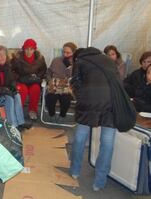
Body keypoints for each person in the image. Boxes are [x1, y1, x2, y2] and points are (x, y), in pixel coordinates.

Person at [69, 47, 119, 191]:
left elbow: (75, 82)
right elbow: (117, 81)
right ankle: (99, 181)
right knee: (107, 143)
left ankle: (75, 170)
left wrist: (82, 96)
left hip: (89, 103)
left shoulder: (80, 61)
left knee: (80, 137)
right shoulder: (109, 60)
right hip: (111, 104)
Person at [0, 45, 32, 131]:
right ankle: (13, 126)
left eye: (4, 55)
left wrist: (13, 87)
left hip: (4, 92)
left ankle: (20, 122)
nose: (2, 57)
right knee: (9, 99)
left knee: (17, 95)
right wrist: (3, 90)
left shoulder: (7, 66)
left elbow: (11, 80)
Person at [11, 38, 47, 120]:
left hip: (33, 81)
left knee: (36, 89)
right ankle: (18, 111)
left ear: (35, 50)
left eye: (31, 49)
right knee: (22, 90)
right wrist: (19, 77)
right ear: (23, 49)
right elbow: (11, 71)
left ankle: (32, 111)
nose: (29, 51)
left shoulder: (40, 58)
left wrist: (37, 76)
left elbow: (43, 70)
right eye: (27, 49)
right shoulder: (17, 58)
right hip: (21, 80)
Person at [45, 42, 76, 122]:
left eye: (68, 53)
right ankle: (52, 114)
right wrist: (49, 80)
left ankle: (62, 115)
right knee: (50, 97)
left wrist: (69, 67)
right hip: (55, 84)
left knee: (66, 98)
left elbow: (74, 77)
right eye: (64, 52)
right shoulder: (56, 60)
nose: (65, 54)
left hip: (67, 85)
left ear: (73, 53)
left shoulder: (75, 63)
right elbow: (49, 72)